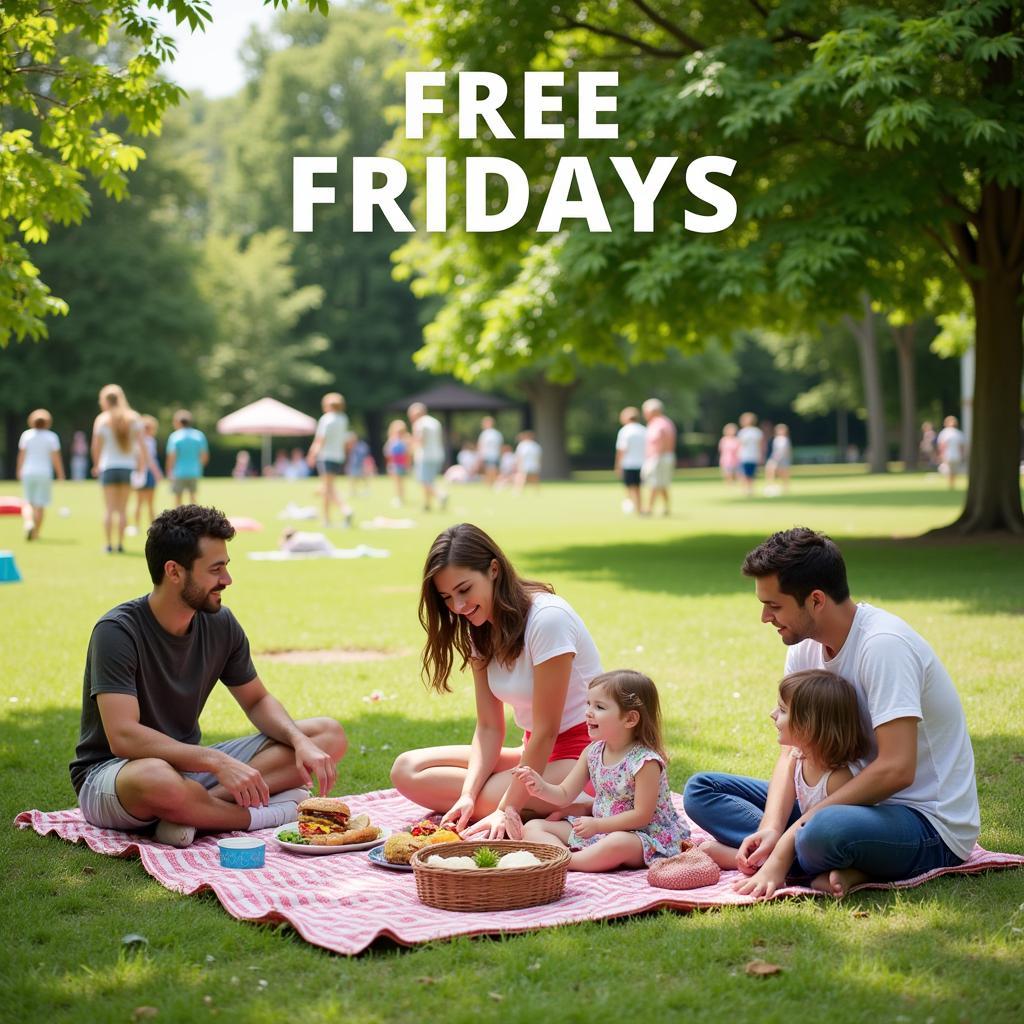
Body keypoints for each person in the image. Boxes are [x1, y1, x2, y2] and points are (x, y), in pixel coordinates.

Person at [684, 527, 979, 898]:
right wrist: (774, 826)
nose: (764, 617)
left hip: (924, 821)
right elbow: (793, 749)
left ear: (816, 600)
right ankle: (814, 859)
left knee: (822, 834)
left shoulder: (883, 647)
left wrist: (796, 832)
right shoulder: (805, 647)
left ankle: (791, 857)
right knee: (702, 790)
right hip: (845, 802)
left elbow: (897, 768)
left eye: (774, 605)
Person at [68, 505, 347, 848]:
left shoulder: (220, 623)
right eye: (216, 569)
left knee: (327, 736)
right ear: (174, 571)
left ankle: (193, 811)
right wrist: (216, 761)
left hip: (188, 768)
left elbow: (257, 700)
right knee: (157, 778)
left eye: (226, 567)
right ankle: (264, 815)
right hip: (117, 775)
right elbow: (124, 737)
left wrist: (299, 740)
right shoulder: (116, 631)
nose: (227, 580)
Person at [390, 523, 604, 839]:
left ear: (493, 569)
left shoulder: (548, 619)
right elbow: (489, 727)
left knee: (492, 795)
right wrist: (467, 793)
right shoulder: (478, 627)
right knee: (406, 770)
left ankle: (579, 801)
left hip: (583, 759)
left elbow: (546, 731)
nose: (458, 607)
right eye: (447, 597)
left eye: (464, 590)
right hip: (533, 753)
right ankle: (524, 805)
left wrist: (504, 808)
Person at [700, 669, 869, 885]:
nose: (773, 714)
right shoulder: (797, 758)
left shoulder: (839, 779)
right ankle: (768, 857)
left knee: (812, 841)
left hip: (818, 839)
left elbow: (833, 835)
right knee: (701, 787)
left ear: (807, 726)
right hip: (800, 831)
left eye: (782, 710)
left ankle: (770, 864)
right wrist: (770, 830)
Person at [515, 670, 687, 871]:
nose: (588, 712)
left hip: (641, 835)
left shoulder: (645, 762)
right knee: (533, 827)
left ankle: (569, 860)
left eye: (599, 706)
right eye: (588, 704)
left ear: (630, 719)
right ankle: (569, 856)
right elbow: (564, 794)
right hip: (598, 829)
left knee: (617, 843)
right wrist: (540, 787)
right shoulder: (593, 752)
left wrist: (598, 826)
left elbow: (642, 816)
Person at [91, 384, 147, 554]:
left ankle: (108, 545)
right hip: (127, 467)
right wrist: (142, 466)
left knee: (109, 508)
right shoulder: (134, 418)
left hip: (108, 467)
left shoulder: (102, 419)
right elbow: (142, 446)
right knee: (123, 509)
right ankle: (120, 545)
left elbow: (96, 446)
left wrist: (96, 464)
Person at [17, 408, 65, 541]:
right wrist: (60, 474)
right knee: (40, 504)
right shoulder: (51, 437)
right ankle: (36, 533)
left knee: (27, 502)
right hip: (44, 473)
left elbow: (21, 456)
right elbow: (56, 458)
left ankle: (28, 522)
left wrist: (19, 470)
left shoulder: (26, 435)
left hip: (28, 471)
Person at [306, 392, 353, 527]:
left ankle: (332, 516)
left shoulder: (326, 419)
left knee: (327, 488)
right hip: (338, 456)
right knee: (328, 487)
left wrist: (312, 454)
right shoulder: (343, 419)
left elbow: (320, 440)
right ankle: (337, 513)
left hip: (326, 456)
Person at [408, 402, 447, 512]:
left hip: (425, 455)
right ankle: (427, 505)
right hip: (438, 455)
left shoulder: (419, 423)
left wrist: (410, 446)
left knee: (424, 481)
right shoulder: (435, 422)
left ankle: (440, 495)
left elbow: (420, 440)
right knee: (429, 481)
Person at [165, 409, 209, 507]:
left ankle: (176, 522)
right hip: (194, 471)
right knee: (193, 500)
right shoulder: (199, 435)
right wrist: (199, 466)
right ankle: (196, 521)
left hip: (178, 472)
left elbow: (171, 456)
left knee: (177, 501)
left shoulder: (175, 436)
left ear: (179, 422)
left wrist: (169, 471)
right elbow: (204, 456)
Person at [640, 398, 676, 516]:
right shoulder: (661, 422)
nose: (644, 414)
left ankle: (649, 508)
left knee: (654, 483)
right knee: (662, 483)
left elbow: (663, 442)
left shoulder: (660, 424)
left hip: (659, 457)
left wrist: (656, 457)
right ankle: (666, 508)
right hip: (661, 456)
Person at [130, 414, 163, 535]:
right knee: (149, 503)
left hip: (139, 473)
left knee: (139, 502)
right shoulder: (149, 441)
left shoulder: (136, 441)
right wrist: (157, 473)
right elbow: (150, 460)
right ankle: (152, 527)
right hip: (148, 473)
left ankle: (136, 526)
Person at [615, 406, 647, 513]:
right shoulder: (643, 430)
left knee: (629, 488)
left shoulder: (625, 431)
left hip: (628, 464)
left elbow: (622, 450)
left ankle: (631, 506)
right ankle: (639, 508)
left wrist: (618, 465)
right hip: (642, 463)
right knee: (638, 488)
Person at [384, 419, 410, 507]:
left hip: (401, 464)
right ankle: (398, 497)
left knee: (400, 482)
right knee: (396, 482)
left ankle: (400, 498)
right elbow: (388, 453)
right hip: (394, 464)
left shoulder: (405, 440)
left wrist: (407, 464)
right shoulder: (392, 440)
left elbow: (407, 454)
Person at [736, 412, 764, 497]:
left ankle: (750, 489)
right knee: (744, 473)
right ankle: (745, 489)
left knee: (751, 474)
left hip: (753, 456)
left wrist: (760, 455)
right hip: (744, 456)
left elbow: (760, 445)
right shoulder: (742, 432)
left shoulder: (757, 432)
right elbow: (740, 445)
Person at [937, 415, 967, 490]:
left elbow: (942, 445)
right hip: (954, 455)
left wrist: (941, 454)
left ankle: (951, 485)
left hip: (949, 455)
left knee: (950, 471)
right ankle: (951, 485)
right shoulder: (958, 433)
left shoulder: (944, 433)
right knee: (952, 471)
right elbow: (961, 446)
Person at [764, 423, 792, 493]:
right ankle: (771, 485)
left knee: (783, 473)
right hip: (776, 458)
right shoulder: (776, 439)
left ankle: (785, 487)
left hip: (781, 458)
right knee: (770, 470)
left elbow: (786, 451)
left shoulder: (784, 439)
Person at [477, 416, 504, 486]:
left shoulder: (494, 434)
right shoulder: (486, 434)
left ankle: (492, 484)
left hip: (492, 455)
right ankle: (490, 484)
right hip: (488, 455)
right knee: (488, 470)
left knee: (491, 470)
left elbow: (500, 446)